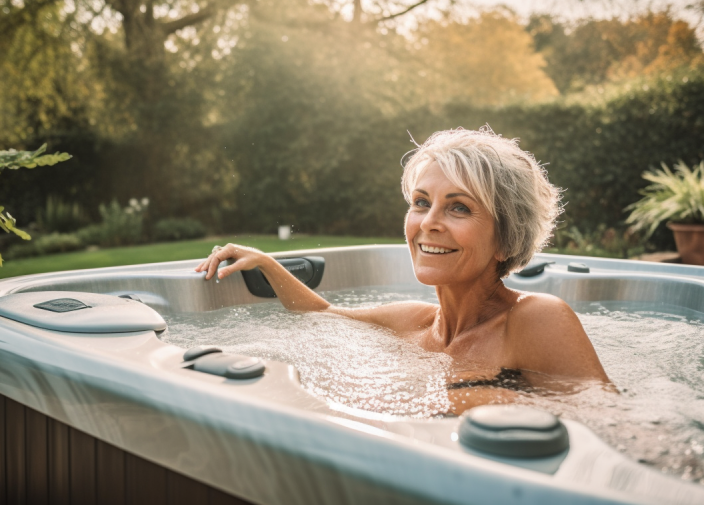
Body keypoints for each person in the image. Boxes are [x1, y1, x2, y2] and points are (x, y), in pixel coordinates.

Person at [195, 127, 610, 402]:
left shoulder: (535, 320)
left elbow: (615, 426)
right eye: (421, 203)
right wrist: (267, 262)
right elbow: (321, 314)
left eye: (459, 208)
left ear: (505, 238)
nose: (429, 223)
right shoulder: (412, 322)